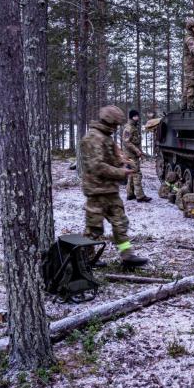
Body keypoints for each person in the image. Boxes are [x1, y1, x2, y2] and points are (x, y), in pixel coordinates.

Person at [79, 105, 149, 267]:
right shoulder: (93, 138)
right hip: (97, 191)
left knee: (120, 223)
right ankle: (86, 259)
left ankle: (127, 257)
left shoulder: (105, 137)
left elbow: (111, 158)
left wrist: (124, 162)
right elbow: (97, 166)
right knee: (94, 228)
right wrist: (120, 173)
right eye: (116, 124)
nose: (117, 128)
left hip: (110, 189)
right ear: (110, 122)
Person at [121, 109, 151, 202]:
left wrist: (140, 152)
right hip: (130, 155)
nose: (138, 117)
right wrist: (137, 151)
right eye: (136, 116)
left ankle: (130, 194)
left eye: (138, 116)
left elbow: (135, 142)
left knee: (131, 174)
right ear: (132, 117)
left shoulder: (134, 127)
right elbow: (127, 143)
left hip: (133, 154)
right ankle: (140, 196)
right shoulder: (129, 128)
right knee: (137, 174)